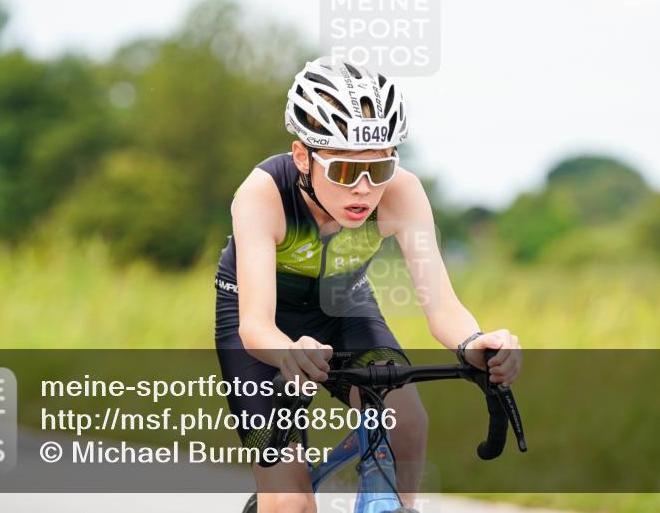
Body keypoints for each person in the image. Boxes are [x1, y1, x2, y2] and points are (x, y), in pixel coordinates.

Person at [214, 57, 522, 513]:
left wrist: (477, 341)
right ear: (303, 156)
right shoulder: (262, 194)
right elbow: (255, 325)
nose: (362, 189)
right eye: (343, 170)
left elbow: (442, 307)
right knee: (290, 504)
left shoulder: (402, 192)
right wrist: (287, 352)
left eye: (378, 169)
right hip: (265, 330)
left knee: (408, 421)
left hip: (344, 306)